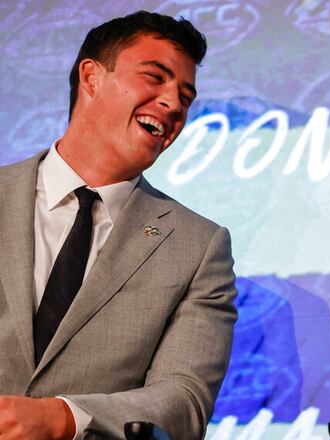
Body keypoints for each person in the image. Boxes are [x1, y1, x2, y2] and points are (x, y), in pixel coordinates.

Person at [0, 11, 237, 439]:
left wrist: (63, 418)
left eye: (185, 95)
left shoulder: (199, 246)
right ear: (91, 77)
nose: (172, 104)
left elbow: (184, 401)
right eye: (155, 78)